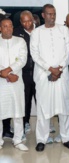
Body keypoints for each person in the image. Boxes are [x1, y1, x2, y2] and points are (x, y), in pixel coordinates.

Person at [30, 4, 69, 152]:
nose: (52, 16)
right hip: (44, 75)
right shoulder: (36, 33)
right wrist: (50, 69)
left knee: (64, 107)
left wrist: (59, 69)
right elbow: (35, 54)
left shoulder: (64, 30)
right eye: (49, 14)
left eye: (54, 14)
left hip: (61, 75)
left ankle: (66, 138)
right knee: (43, 108)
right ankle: (41, 139)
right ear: (43, 15)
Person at [0, 18, 28, 151]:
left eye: (10, 26)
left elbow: (22, 59)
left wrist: (9, 71)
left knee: (18, 111)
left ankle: (18, 140)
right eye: (5, 26)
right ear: (0, 28)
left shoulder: (20, 41)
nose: (8, 28)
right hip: (1, 83)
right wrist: (4, 74)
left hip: (16, 80)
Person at [13, 10, 36, 135]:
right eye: (24, 21)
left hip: (39, 71)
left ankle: (46, 125)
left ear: (33, 19)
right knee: (25, 100)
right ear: (21, 22)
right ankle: (25, 122)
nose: (27, 23)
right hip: (24, 72)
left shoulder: (39, 31)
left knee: (41, 99)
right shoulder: (17, 33)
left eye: (29, 20)